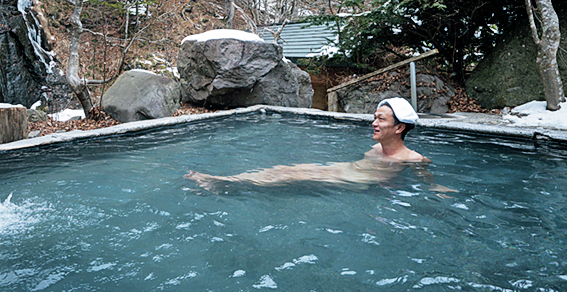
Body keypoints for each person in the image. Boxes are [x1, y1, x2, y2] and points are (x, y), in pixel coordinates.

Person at [185, 97, 455, 194]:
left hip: (349, 182)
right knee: (282, 169)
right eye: (374, 117)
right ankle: (229, 181)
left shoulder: (412, 158)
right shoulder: (375, 150)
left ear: (399, 128)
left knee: (286, 175)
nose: (373, 122)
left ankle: (225, 182)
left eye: (380, 119)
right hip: (339, 171)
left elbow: (427, 179)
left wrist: (437, 187)